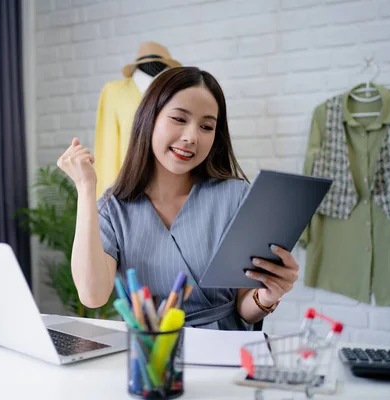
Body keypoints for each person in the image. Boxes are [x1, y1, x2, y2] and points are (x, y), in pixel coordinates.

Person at [57, 66, 299, 330]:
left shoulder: (236, 196)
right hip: (152, 355)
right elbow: (93, 296)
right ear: (150, 119)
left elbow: (244, 307)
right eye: (179, 119)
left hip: (223, 351)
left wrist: (267, 296)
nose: (191, 137)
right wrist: (85, 187)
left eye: (206, 126)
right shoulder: (113, 209)